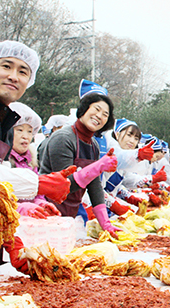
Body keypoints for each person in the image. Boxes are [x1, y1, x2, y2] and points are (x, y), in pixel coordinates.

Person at [0, 40, 73, 273]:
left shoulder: (6, 123)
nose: (14, 76)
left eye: (23, 72)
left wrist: (12, 241)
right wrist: (40, 183)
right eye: (6, 66)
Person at [39, 82, 121, 237]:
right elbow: (63, 185)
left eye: (105, 114)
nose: (99, 116)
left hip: (69, 214)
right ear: (84, 109)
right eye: (96, 109)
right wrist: (98, 166)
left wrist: (105, 223)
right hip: (47, 211)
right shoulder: (63, 138)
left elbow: (94, 185)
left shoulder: (94, 145)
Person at [8, 102, 61, 219]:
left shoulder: (31, 161)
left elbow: (36, 192)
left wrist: (42, 204)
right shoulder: (2, 160)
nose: (25, 136)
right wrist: (22, 208)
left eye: (29, 132)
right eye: (20, 130)